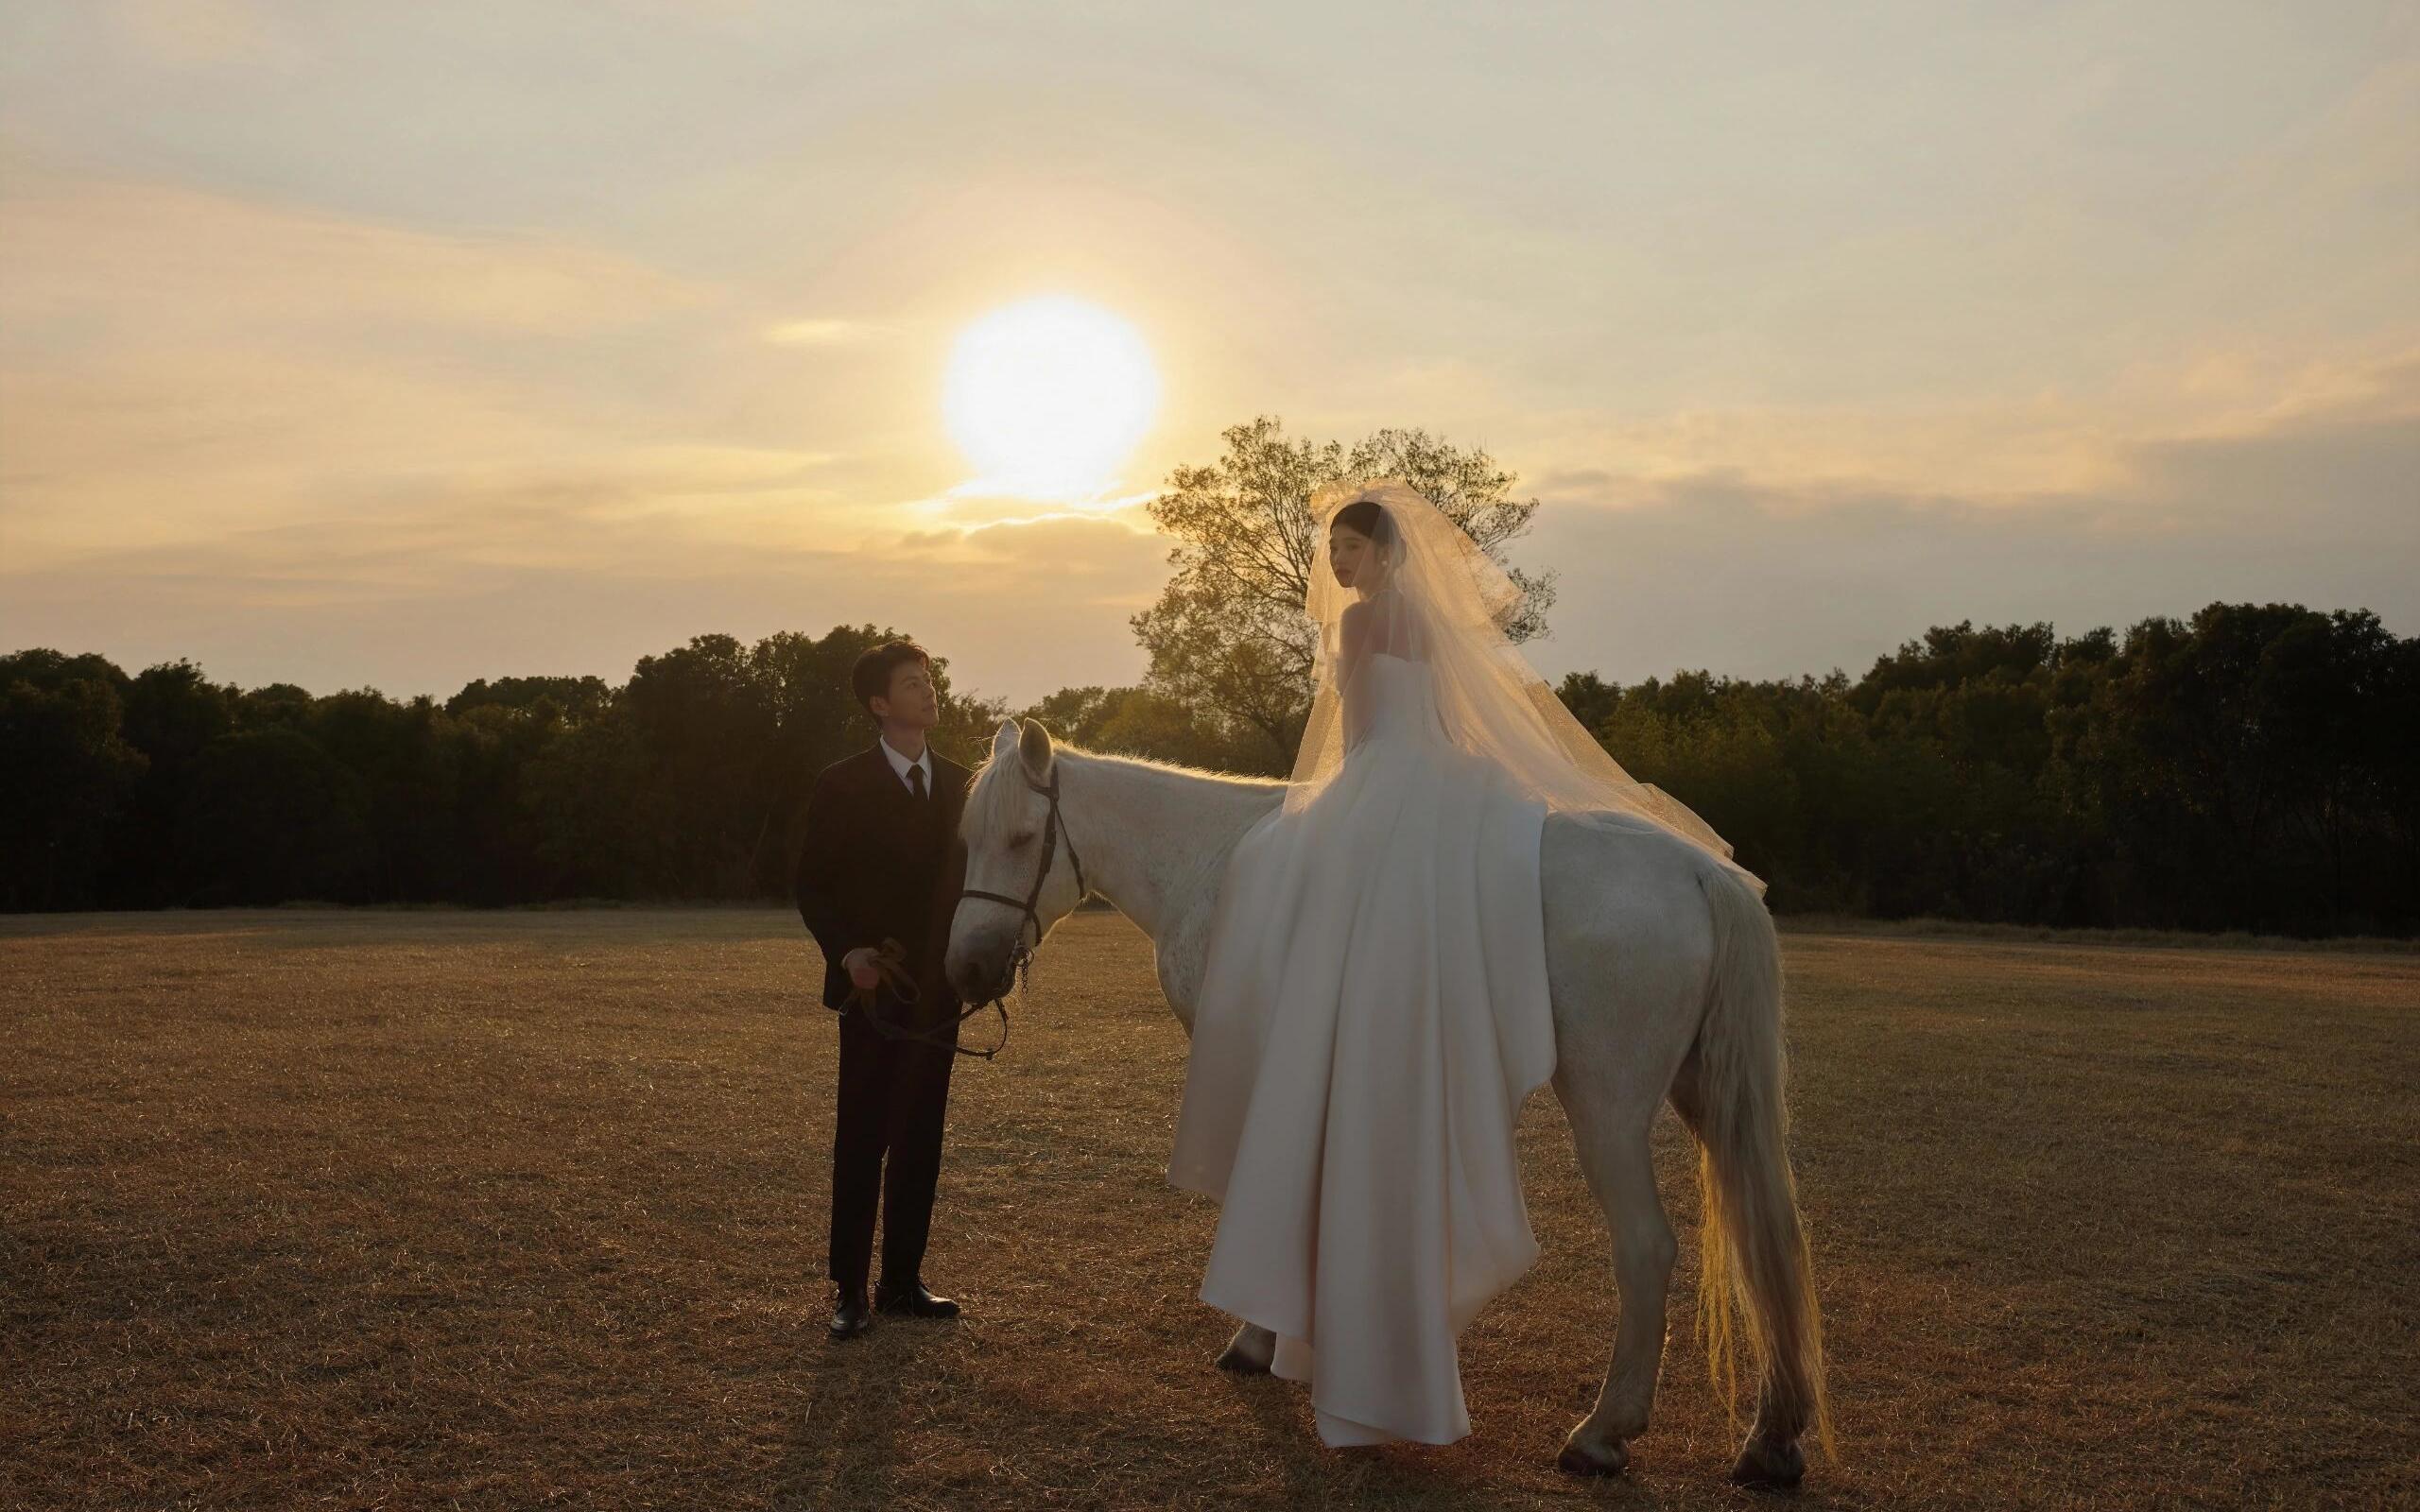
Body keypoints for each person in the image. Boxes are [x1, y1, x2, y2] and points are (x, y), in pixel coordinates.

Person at [1167, 481, 1760, 1446]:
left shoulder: (1360, 628)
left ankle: (1319, 1055)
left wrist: (1337, 803)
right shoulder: (1438, 629)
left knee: (1282, 869)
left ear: (1379, 553)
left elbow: (1356, 742)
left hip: (1383, 787)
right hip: (1446, 780)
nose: (1339, 570)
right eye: (1335, 557)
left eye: (1347, 551)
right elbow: (1454, 727)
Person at [794, 640, 973, 1340]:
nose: (927, 691)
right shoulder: (841, 784)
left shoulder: (964, 783)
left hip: (940, 990)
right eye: (910, 683)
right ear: (878, 703)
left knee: (921, 1137)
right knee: (862, 1138)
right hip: (872, 990)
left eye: (928, 679)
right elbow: (814, 885)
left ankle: (902, 1282)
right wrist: (848, 953)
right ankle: (849, 1290)